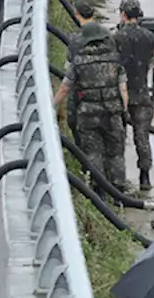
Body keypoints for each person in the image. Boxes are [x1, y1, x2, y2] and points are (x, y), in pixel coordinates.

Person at [54, 23, 130, 193]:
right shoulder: (114, 60)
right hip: (112, 114)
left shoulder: (79, 62)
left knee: (93, 152)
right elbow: (123, 89)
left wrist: (53, 104)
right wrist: (124, 110)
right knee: (116, 152)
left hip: (88, 114)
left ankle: (98, 190)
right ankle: (119, 189)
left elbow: (65, 88)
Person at [114, 0, 154, 191]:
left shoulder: (116, 37)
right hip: (142, 93)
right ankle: (145, 177)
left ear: (123, 14)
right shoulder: (150, 37)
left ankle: (119, 180)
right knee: (142, 137)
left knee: (118, 137)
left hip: (120, 94)